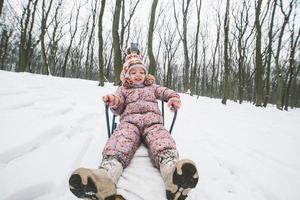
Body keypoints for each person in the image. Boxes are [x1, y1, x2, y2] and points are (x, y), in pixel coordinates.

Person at [69, 46, 199, 200]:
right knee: (120, 140)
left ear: (146, 74)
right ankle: (105, 177)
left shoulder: (152, 87)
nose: (138, 75)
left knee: (161, 139)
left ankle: (172, 173)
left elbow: (167, 92)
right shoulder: (123, 89)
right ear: (127, 75)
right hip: (130, 122)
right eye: (134, 72)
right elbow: (118, 108)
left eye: (142, 72)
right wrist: (114, 101)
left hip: (153, 122)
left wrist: (173, 98)